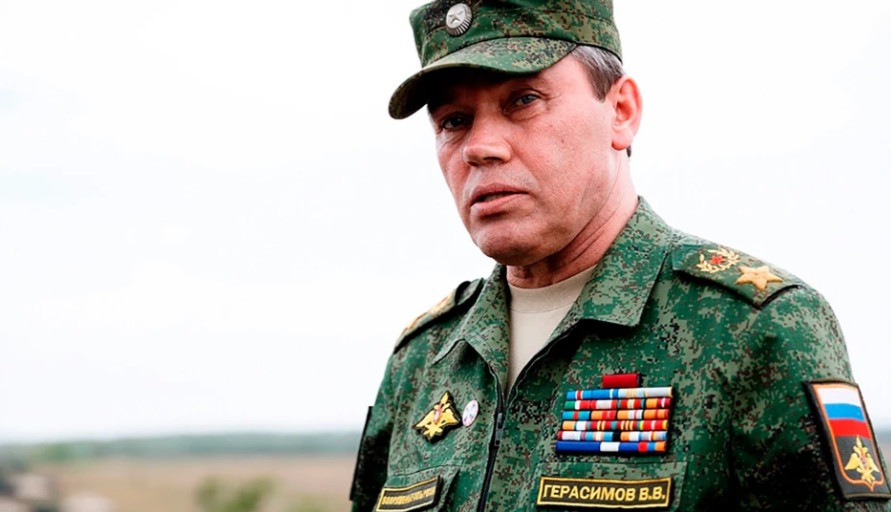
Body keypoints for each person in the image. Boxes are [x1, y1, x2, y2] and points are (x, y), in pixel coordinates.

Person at [350, 1, 891, 510]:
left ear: (621, 111)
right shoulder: (423, 360)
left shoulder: (753, 328)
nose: (480, 147)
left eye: (524, 100)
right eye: (453, 120)